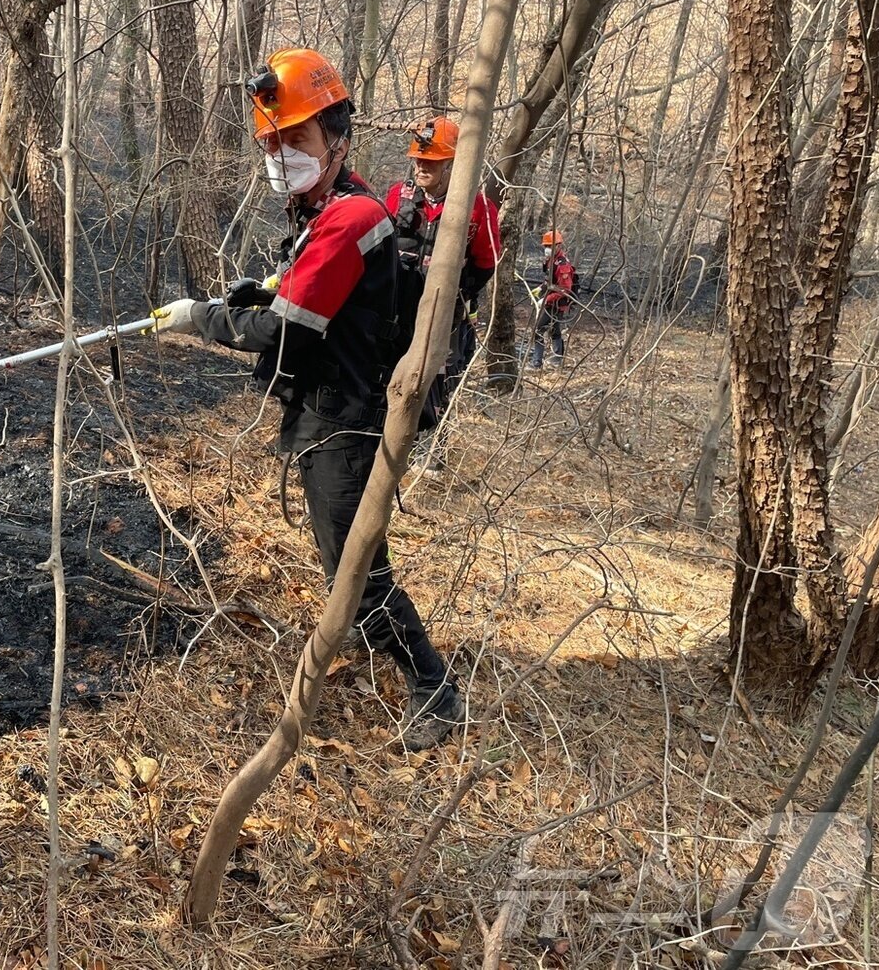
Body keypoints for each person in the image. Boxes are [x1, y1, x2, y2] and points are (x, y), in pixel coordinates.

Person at [149, 48, 462, 750]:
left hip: (347, 416)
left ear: (337, 136)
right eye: (272, 142)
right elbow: (310, 297)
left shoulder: (348, 218)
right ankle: (357, 635)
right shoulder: (329, 208)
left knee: (356, 566)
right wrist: (261, 290)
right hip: (336, 405)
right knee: (343, 557)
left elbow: (285, 337)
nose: (282, 154)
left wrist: (201, 319)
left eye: (296, 139)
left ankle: (434, 690)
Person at [384, 117, 501, 443]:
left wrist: (455, 294)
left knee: (438, 382)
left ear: (452, 165)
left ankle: (431, 449)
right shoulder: (397, 196)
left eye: (431, 162)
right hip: (398, 309)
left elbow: (486, 262)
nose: (421, 167)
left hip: (445, 317)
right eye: (419, 160)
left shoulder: (478, 209)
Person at [529, 229, 576, 369]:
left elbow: (564, 290)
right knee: (554, 329)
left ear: (558, 246)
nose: (547, 249)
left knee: (538, 330)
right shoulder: (551, 261)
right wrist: (540, 289)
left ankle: (536, 362)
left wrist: (545, 300)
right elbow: (550, 281)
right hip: (551, 299)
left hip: (558, 303)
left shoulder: (562, 265)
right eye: (546, 246)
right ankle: (558, 358)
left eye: (550, 246)